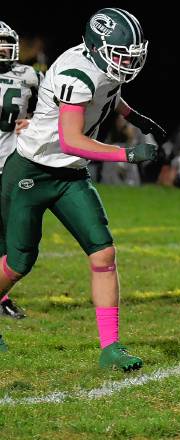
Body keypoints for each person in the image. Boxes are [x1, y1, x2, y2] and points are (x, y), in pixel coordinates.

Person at [0, 8, 165, 368]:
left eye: (132, 56)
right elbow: (72, 140)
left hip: (70, 176)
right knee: (17, 262)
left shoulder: (104, 64)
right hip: (32, 172)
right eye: (121, 55)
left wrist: (133, 117)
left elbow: (110, 92)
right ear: (96, 47)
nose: (126, 63)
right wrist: (128, 153)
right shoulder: (77, 73)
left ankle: (111, 348)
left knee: (103, 254)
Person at [0, 20, 40, 323]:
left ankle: (2, 296)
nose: (3, 47)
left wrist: (36, 122)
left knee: (8, 230)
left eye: (6, 41)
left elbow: (54, 105)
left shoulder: (28, 75)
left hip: (14, 160)